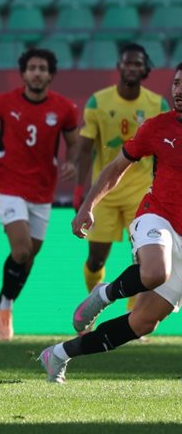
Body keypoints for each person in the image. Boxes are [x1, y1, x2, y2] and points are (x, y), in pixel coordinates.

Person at [40, 63, 182, 383]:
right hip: (157, 216)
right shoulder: (158, 127)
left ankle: (59, 354)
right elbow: (116, 167)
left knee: (143, 323)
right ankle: (102, 295)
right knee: (155, 272)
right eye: (176, 83)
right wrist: (87, 206)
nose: (179, 90)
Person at [0, 48, 81, 341]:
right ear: (23, 73)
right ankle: (6, 314)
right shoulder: (3, 102)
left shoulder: (65, 108)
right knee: (21, 251)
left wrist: (71, 162)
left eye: (43, 68)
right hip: (8, 185)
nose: (37, 73)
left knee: (28, 257)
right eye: (32, 68)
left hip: (42, 191)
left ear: (50, 75)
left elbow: (73, 142)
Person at [73, 44, 168, 300]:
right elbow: (86, 149)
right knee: (95, 260)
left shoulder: (157, 103)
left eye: (137, 63)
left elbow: (164, 151)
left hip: (140, 193)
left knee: (145, 261)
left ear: (145, 69)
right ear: (119, 66)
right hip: (105, 192)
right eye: (128, 63)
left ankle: (133, 312)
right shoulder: (98, 101)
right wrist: (80, 191)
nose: (132, 68)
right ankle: (93, 303)